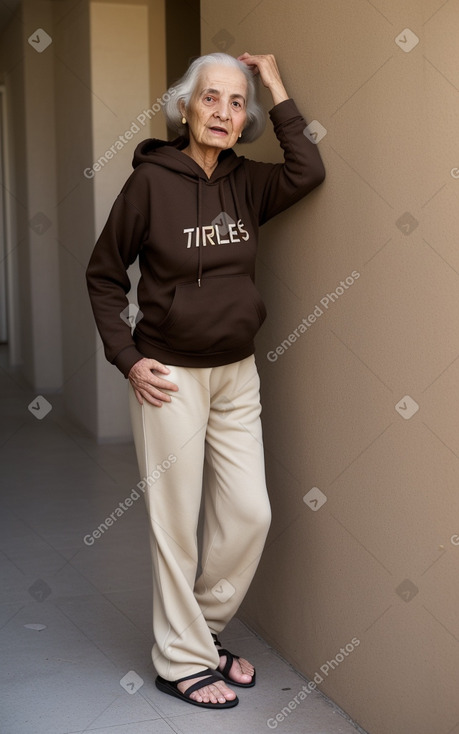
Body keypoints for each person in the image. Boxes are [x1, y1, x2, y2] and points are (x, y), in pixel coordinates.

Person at [86, 51, 325, 710]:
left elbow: (308, 169)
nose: (223, 112)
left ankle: (202, 632)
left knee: (250, 513)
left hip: (236, 373)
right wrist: (129, 358)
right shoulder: (149, 185)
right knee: (175, 526)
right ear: (184, 107)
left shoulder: (248, 183)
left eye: (235, 102)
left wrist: (274, 83)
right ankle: (179, 661)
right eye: (210, 98)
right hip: (170, 378)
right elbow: (104, 275)